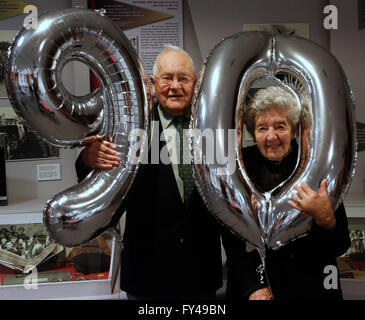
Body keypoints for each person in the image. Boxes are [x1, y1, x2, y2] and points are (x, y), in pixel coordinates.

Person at [75, 45, 251, 299]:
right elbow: (101, 187)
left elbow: (229, 209)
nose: (175, 86)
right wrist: (87, 160)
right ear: (154, 83)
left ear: (196, 83)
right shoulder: (133, 129)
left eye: (183, 78)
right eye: (167, 78)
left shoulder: (213, 132)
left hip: (201, 278)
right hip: (147, 280)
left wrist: (250, 281)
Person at [228, 86, 351, 300]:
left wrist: (326, 218)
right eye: (262, 128)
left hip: (311, 289)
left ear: (293, 129)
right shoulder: (239, 168)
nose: (271, 136)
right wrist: (254, 288)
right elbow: (232, 239)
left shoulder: (317, 166)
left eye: (280, 126)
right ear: (252, 133)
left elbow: (340, 245)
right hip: (257, 288)